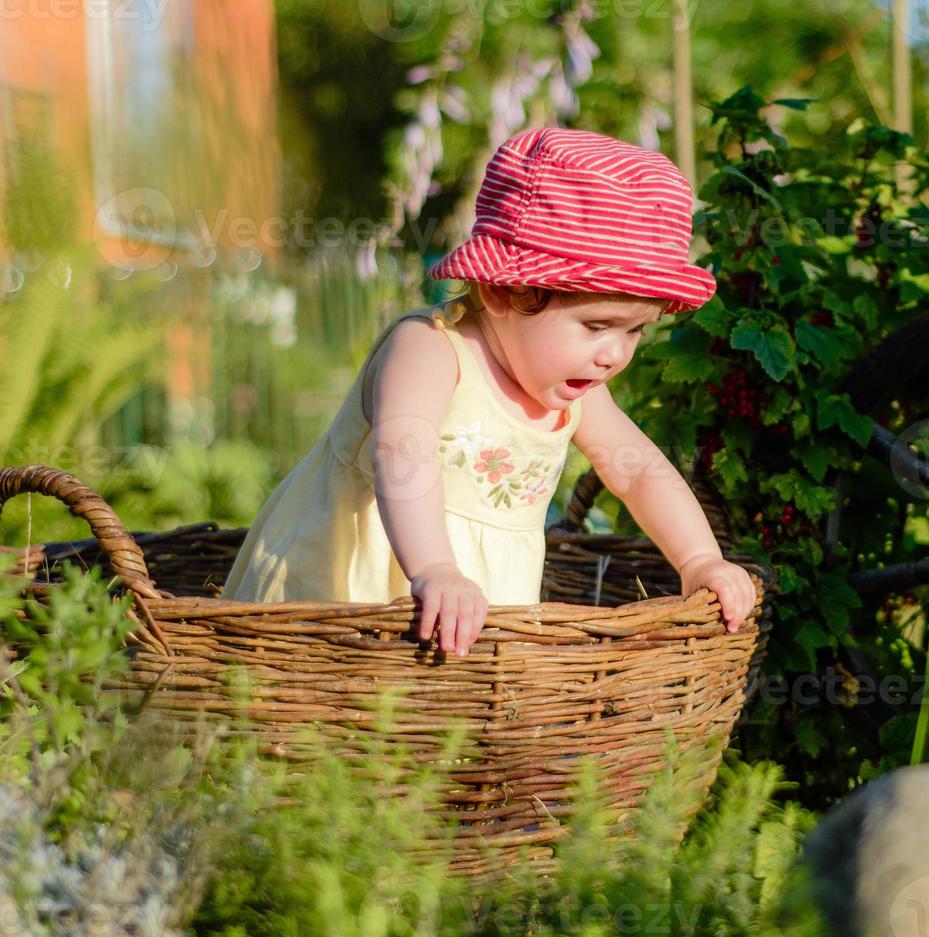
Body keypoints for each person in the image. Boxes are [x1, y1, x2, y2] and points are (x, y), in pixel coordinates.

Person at [222, 127, 757, 654]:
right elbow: (402, 457)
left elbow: (638, 469)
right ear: (505, 291)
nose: (614, 354)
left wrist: (698, 561)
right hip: (344, 594)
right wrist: (434, 568)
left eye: (635, 330)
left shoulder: (579, 393)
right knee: (334, 725)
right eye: (597, 326)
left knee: (448, 730)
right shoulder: (432, 350)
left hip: (476, 607)